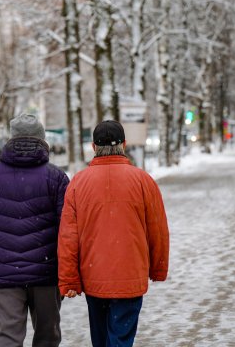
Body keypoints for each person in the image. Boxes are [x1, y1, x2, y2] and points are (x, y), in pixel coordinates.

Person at [58, 120, 170, 347]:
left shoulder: (78, 182)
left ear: (93, 147)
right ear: (124, 145)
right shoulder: (143, 181)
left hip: (94, 277)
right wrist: (157, 267)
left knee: (99, 339)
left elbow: (68, 235)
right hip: (130, 275)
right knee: (120, 339)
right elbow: (157, 229)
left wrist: (69, 279)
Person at [0, 113, 69, 347]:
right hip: (46, 270)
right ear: (42, 141)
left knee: (7, 336)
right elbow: (69, 226)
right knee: (47, 335)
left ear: (11, 140)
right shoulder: (56, 177)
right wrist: (66, 263)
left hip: (5, 272)